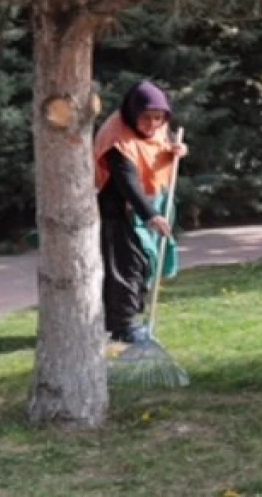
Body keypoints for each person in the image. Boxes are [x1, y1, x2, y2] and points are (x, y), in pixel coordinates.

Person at [93, 81, 188, 344]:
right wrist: (150, 215)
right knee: (127, 266)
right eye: (146, 118)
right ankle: (122, 325)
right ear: (133, 112)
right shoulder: (116, 139)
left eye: (159, 118)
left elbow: (161, 146)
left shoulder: (157, 126)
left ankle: (134, 316)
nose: (153, 124)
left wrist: (177, 150)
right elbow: (127, 181)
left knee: (146, 261)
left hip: (150, 200)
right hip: (119, 207)